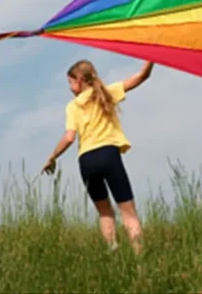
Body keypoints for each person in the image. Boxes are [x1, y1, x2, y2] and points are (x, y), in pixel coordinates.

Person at [42, 59, 154, 254]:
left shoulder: (72, 106)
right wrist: (151, 57)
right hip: (109, 155)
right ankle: (139, 256)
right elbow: (142, 76)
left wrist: (52, 157)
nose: (70, 88)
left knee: (104, 213)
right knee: (128, 212)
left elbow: (69, 138)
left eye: (70, 83)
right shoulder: (107, 92)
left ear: (79, 81)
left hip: (87, 161)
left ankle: (113, 251)